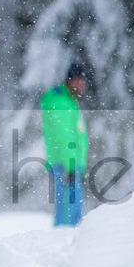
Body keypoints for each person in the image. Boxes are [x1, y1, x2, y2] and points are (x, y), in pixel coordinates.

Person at [41, 59, 89, 226]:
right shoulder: (61, 103)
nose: (83, 85)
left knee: (68, 208)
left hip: (68, 162)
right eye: (80, 80)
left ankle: (66, 238)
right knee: (70, 212)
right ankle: (67, 240)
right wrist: (70, 165)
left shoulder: (67, 101)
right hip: (66, 163)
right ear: (71, 80)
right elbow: (65, 136)